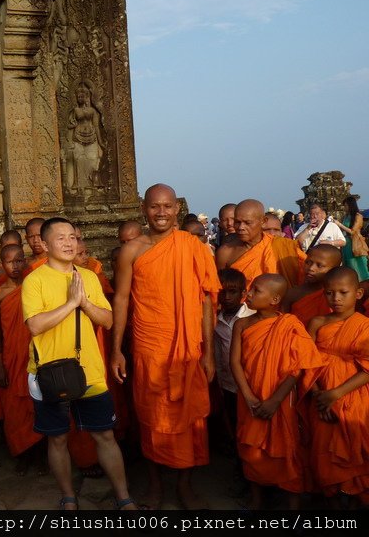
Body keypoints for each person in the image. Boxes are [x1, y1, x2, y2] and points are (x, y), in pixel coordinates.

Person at [111, 184, 220, 510]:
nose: (161, 212)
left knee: (190, 420)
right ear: (144, 208)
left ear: (177, 208)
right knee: (152, 417)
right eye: (155, 206)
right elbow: (121, 299)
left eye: (167, 206)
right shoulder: (132, 250)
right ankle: (156, 487)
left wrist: (209, 353)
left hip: (189, 348)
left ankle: (184, 487)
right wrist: (117, 349)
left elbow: (205, 301)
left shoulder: (193, 246)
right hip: (150, 346)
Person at [23, 217, 137, 511]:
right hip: (49, 373)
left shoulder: (88, 277)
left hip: (88, 370)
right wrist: (71, 304)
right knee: (58, 439)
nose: (68, 243)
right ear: (45, 245)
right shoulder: (34, 280)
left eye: (72, 237)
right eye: (60, 238)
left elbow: (108, 319)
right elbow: (35, 325)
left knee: (104, 434)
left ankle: (123, 498)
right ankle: (69, 497)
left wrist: (85, 303)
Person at [229, 274, 325, 510]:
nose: (248, 294)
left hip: (280, 400)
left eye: (256, 291)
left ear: (274, 299)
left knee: (287, 449)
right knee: (251, 449)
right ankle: (257, 501)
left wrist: (275, 400)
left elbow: (298, 367)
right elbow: (235, 363)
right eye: (250, 289)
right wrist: (249, 397)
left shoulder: (290, 325)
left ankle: (293, 507)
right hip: (249, 397)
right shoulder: (242, 324)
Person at [307, 267, 369, 506]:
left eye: (344, 292)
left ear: (359, 293)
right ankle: (328, 498)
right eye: (330, 293)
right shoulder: (317, 322)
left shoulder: (364, 326)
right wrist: (317, 394)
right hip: (319, 394)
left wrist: (335, 393)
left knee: (352, 450)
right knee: (322, 450)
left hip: (352, 394)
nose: (337, 299)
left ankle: (350, 496)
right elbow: (306, 362)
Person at [0, 244, 44, 475]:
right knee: (15, 409)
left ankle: (41, 455)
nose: (15, 266)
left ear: (25, 262)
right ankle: (22, 454)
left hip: (36, 355)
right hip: (11, 357)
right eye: (10, 261)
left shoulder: (35, 287)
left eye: (19, 260)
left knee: (38, 405)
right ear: (2, 264)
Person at [216, 199, 305, 288]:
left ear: (263, 221)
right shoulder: (226, 252)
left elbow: (306, 281)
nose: (241, 227)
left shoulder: (285, 248)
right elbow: (220, 289)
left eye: (247, 223)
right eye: (237, 222)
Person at [213, 269, 253, 453]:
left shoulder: (252, 317)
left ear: (243, 294)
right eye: (222, 292)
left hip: (250, 382)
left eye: (232, 292)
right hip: (228, 383)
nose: (227, 297)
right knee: (234, 420)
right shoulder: (214, 319)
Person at [283, 244, 342, 327]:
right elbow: (282, 323)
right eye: (308, 262)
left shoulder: (339, 295)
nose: (311, 268)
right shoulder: (293, 293)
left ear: (335, 269)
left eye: (319, 265)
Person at [332, 196, 369, 282]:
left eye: (346, 205)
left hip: (355, 243)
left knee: (358, 265)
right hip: (346, 243)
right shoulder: (346, 216)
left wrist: (340, 225)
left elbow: (353, 231)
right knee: (348, 263)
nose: (345, 208)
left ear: (350, 205)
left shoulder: (358, 216)